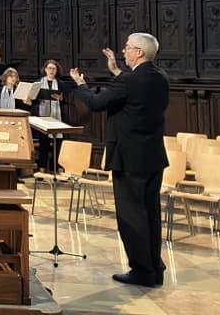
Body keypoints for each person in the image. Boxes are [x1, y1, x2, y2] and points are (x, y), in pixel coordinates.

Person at [69, 33, 169, 287]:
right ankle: (155, 268)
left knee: (132, 215)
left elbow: (96, 103)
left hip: (129, 157)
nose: (124, 51)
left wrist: (81, 85)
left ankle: (142, 271)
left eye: (127, 48)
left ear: (139, 52)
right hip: (152, 156)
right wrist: (115, 71)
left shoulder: (129, 80)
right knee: (151, 213)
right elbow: (130, 90)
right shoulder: (160, 77)